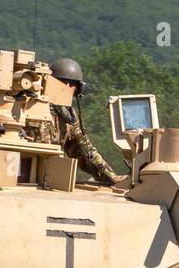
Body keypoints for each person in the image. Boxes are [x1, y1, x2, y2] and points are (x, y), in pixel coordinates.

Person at [48, 57, 128, 185]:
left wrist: (113, 179)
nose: (68, 87)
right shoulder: (31, 108)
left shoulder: (68, 117)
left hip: (51, 177)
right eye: (63, 82)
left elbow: (85, 152)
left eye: (72, 83)